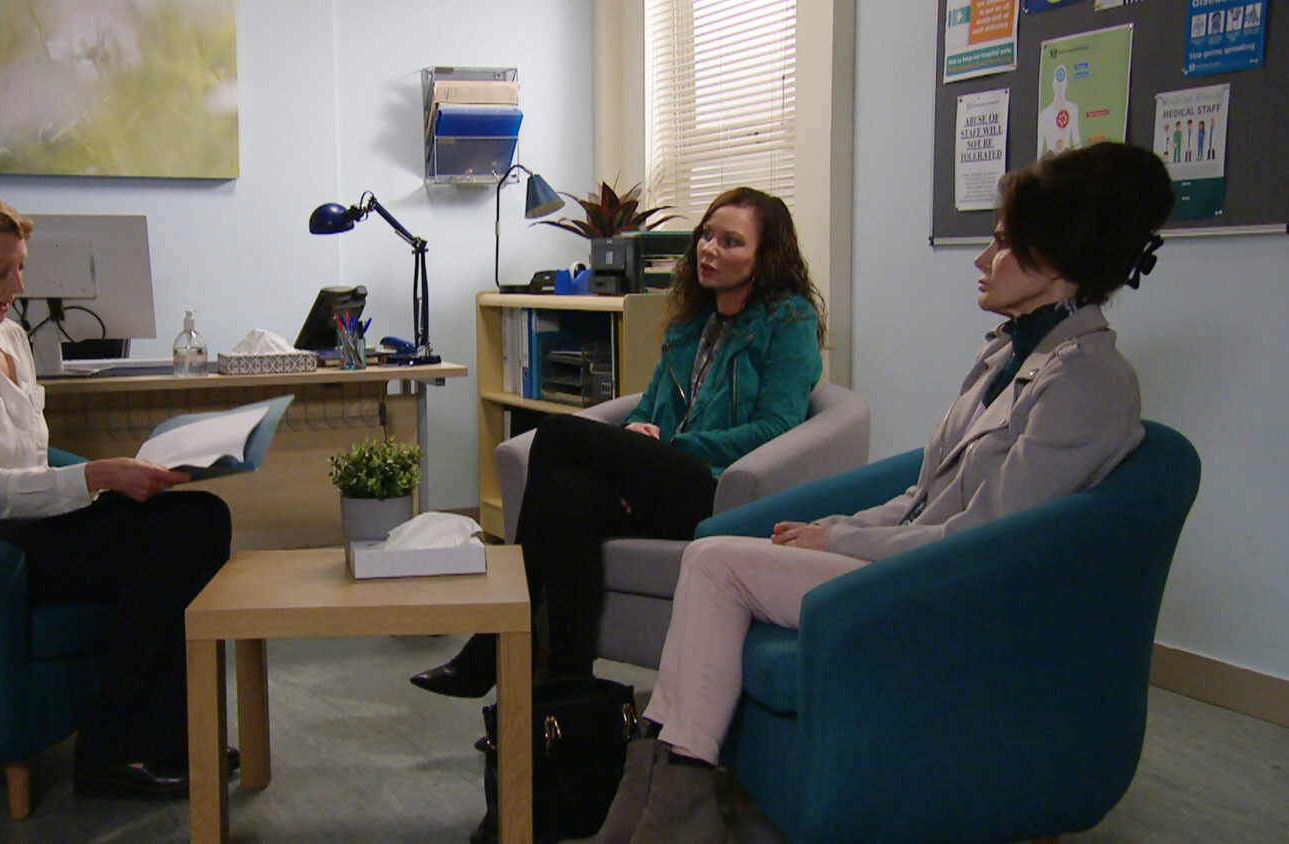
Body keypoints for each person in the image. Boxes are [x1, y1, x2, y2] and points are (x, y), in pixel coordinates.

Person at [576, 142, 1175, 844]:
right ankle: (663, 792)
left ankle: (671, 805)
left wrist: (840, 540)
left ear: (1059, 263)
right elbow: (925, 491)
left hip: (944, 588)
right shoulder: (1006, 352)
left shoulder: (1087, 382)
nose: (983, 259)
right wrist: (833, 521)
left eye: (1005, 244)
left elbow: (985, 540)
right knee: (714, 561)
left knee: (715, 564)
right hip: (909, 561)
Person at [0, 187, 234, 800]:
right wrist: (97, 477)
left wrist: (108, 481)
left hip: (18, 524)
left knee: (198, 515)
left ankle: (164, 734)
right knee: (175, 535)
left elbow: (30, 463)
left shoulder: (10, 337)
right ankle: (115, 751)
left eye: (20, 267)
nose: (15, 284)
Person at [411, 187, 827, 698]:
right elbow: (648, 408)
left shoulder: (788, 323)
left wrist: (670, 447)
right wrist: (636, 441)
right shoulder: (690, 324)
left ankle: (490, 649)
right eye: (706, 237)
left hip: (716, 489)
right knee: (566, 501)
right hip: (663, 478)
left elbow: (775, 430)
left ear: (766, 258)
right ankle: (566, 699)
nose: (709, 249)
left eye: (731, 242)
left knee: (560, 435)